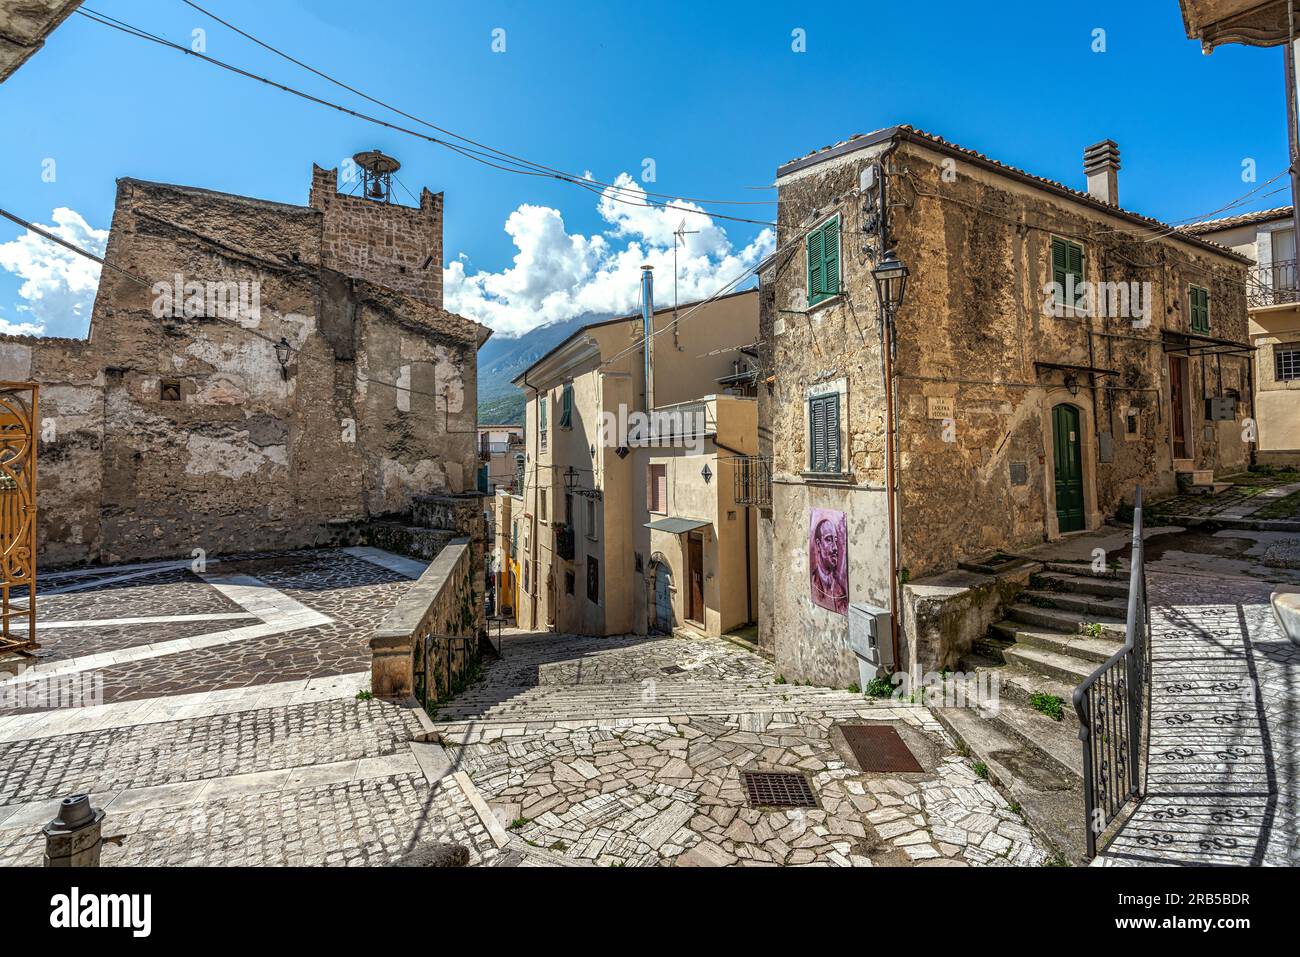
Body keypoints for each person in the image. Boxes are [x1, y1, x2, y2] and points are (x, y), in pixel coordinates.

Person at [810, 517, 848, 614]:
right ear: (818, 545)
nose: (835, 547)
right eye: (829, 540)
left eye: (835, 540)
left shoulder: (840, 591)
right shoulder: (813, 581)